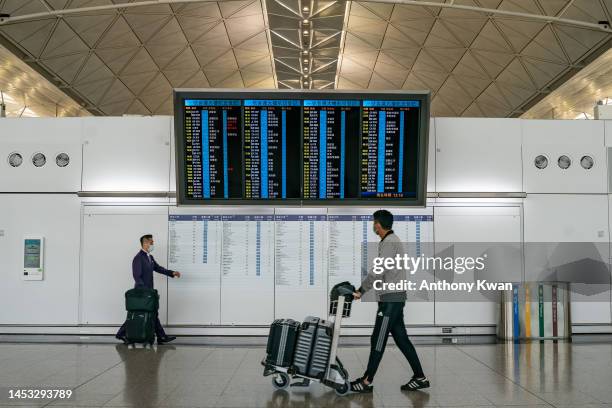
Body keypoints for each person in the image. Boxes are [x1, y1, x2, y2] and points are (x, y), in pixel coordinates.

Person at [350, 210, 429, 393]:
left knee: (378, 338)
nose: (373, 226)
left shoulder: (390, 242)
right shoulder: (391, 241)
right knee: (402, 339)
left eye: (374, 223)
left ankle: (366, 381)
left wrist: (361, 290)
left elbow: (379, 269)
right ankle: (420, 377)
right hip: (394, 298)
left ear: (378, 224)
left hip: (391, 301)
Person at [116, 234, 181, 344]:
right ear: (145, 243)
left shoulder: (149, 257)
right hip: (142, 292)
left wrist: (171, 273)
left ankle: (161, 337)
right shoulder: (138, 258)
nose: (153, 244)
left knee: (153, 313)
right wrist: (144, 291)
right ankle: (121, 333)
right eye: (151, 242)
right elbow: (137, 276)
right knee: (138, 314)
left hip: (149, 292)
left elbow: (158, 268)